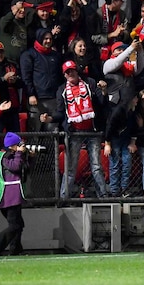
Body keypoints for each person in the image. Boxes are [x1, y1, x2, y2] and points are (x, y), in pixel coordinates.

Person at [46, 60, 109, 200]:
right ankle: (63, 197)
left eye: (72, 70)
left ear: (77, 71)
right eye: (67, 72)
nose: (71, 74)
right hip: (74, 132)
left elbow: (102, 103)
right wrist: (50, 119)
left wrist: (104, 91)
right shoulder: (62, 90)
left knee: (96, 166)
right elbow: (60, 112)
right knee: (71, 168)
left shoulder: (90, 83)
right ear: (64, 75)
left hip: (92, 130)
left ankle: (103, 196)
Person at [0, 131, 31, 256]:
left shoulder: (12, 155)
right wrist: (19, 153)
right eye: (18, 144)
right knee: (15, 225)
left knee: (18, 224)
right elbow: (15, 167)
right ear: (12, 146)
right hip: (7, 196)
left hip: (12, 196)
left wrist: (29, 156)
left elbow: (24, 170)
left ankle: (15, 249)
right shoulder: (4, 157)